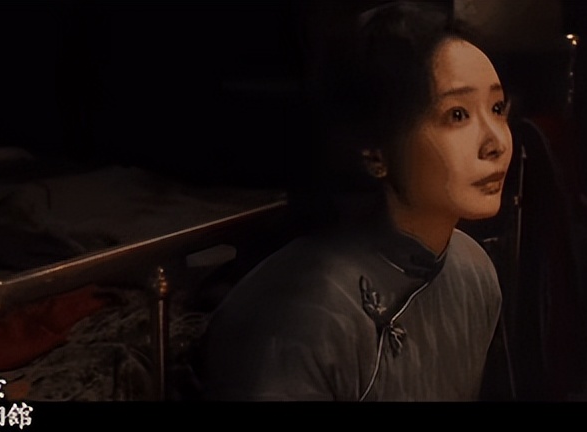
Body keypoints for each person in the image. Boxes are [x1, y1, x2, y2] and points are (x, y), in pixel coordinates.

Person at [196, 1, 513, 401]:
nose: (495, 143)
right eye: (457, 115)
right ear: (375, 154)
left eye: (497, 109)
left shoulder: (475, 271)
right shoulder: (302, 317)